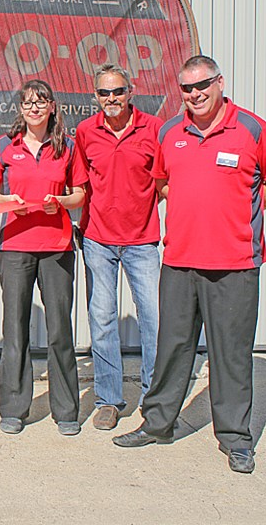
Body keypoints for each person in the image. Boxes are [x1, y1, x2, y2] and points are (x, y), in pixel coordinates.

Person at [113, 56, 266, 474]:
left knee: (230, 353)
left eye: (202, 85)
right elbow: (161, 182)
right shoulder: (170, 132)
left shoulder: (252, 128)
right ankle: (158, 424)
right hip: (179, 259)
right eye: (187, 88)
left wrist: (242, 208)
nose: (195, 94)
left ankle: (235, 438)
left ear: (220, 82)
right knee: (172, 348)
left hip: (234, 263)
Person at [0, 80, 88, 437]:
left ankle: (66, 410)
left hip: (56, 246)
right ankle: (14, 408)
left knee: (60, 329)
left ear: (53, 107)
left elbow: (79, 195)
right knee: (15, 329)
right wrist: (9, 202)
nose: (34, 109)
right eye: (28, 103)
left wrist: (59, 202)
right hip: (15, 245)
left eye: (41, 103)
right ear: (20, 109)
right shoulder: (4, 147)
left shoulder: (67, 148)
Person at [74, 63, 163, 430]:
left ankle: (153, 398)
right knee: (103, 320)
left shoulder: (154, 129)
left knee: (155, 321)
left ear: (131, 91)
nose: (111, 99)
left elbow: (163, 183)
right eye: (104, 93)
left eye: (118, 91)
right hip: (97, 240)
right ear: (95, 96)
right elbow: (80, 185)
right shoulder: (85, 131)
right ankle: (109, 399)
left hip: (142, 241)